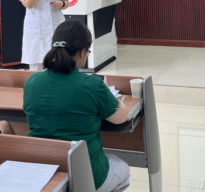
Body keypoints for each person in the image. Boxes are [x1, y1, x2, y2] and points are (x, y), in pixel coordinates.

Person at [23, 20, 130, 192]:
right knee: (122, 166)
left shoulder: (31, 81)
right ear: (82, 52)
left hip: (44, 174)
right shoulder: (92, 84)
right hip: (87, 178)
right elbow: (121, 117)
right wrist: (106, 91)